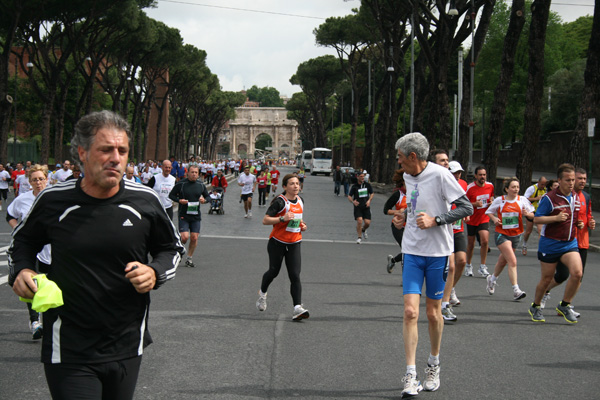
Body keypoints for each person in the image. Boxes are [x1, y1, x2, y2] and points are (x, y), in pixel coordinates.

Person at [8, 110, 184, 399]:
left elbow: (171, 248)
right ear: (83, 153)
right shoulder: (54, 200)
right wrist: (23, 270)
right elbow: (21, 243)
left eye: (122, 150)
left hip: (127, 342)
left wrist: (154, 272)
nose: (115, 157)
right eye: (105, 149)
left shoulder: (145, 201)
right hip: (69, 345)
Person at [394, 133, 473, 397]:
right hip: (412, 251)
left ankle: (433, 364)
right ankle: (410, 373)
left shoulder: (441, 175)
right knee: (409, 313)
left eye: (400, 157)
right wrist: (403, 216)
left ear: (413, 157)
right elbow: (416, 204)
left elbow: (466, 207)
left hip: (438, 253)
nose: (398, 162)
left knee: (432, 314)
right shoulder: (407, 176)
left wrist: (436, 220)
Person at [529, 163, 583, 324]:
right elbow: (536, 218)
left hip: (569, 243)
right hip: (550, 243)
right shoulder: (549, 198)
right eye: (568, 180)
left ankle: (565, 305)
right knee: (546, 279)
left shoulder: (576, 196)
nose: (571, 183)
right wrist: (555, 218)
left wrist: (579, 223)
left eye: (573, 180)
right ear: (559, 180)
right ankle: (536, 306)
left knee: (577, 273)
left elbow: (575, 216)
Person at [540, 167, 595, 317]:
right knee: (562, 275)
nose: (581, 181)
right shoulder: (559, 197)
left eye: (584, 179)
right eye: (578, 178)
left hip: (581, 242)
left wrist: (589, 222)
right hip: (564, 242)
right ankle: (545, 293)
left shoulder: (586, 197)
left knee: (578, 275)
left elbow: (587, 215)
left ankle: (566, 304)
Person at [6, 164, 52, 340]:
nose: (38, 182)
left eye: (41, 179)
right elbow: (9, 216)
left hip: (51, 251)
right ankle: (35, 322)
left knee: (51, 286)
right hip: (32, 251)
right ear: (29, 182)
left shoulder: (54, 198)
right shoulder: (22, 199)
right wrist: (18, 230)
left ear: (46, 179)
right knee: (31, 285)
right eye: (34, 180)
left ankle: (50, 321)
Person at [256, 173, 309, 321]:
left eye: (297, 183)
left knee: (295, 275)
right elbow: (265, 220)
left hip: (294, 242)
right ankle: (262, 294)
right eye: (292, 184)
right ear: (285, 187)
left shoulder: (300, 200)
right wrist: (282, 218)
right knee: (273, 271)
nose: (296, 186)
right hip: (277, 242)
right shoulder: (280, 202)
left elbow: (298, 219)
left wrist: (302, 225)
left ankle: (297, 308)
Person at [484, 178, 534, 300]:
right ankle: (516, 290)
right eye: (513, 187)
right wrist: (494, 219)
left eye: (517, 187)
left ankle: (492, 279)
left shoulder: (522, 200)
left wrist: (527, 214)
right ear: (507, 189)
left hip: (516, 235)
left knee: (503, 261)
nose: (516, 189)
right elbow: (488, 212)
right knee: (512, 261)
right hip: (502, 234)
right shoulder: (499, 200)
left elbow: (533, 215)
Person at [431, 149, 459, 322]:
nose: (446, 163)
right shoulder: (428, 181)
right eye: (442, 160)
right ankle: (432, 304)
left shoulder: (450, 181)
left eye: (447, 160)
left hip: (445, 231)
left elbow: (463, 204)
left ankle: (444, 305)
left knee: (452, 266)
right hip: (428, 233)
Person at [169, 165, 209, 268]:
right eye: (192, 172)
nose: (194, 174)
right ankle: (177, 250)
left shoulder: (200, 184)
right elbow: (171, 195)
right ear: (188, 173)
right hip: (184, 214)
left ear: (198, 173)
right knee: (184, 237)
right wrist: (179, 201)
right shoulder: (181, 184)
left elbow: (208, 196)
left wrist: (204, 200)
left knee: (194, 238)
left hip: (195, 215)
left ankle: (189, 258)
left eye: (196, 172)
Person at [465, 166, 494, 277]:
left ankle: (482, 266)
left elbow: (491, 197)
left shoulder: (490, 186)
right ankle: (468, 265)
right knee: (471, 244)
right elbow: (464, 203)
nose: (483, 177)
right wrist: (474, 204)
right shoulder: (470, 188)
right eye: (480, 175)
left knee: (485, 241)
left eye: (484, 175)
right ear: (476, 176)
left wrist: (491, 202)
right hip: (472, 219)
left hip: (484, 217)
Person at [447, 161, 469, 308]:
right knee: (450, 265)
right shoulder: (441, 184)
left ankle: (451, 289)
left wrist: (465, 213)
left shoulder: (464, 184)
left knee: (461, 261)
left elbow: (465, 203)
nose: (457, 175)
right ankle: (445, 293)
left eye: (459, 172)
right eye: (455, 172)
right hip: (444, 230)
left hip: (458, 228)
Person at [383, 169, 406, 273]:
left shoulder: (416, 193)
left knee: (411, 251)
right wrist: (397, 212)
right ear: (403, 181)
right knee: (406, 250)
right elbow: (385, 210)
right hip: (398, 226)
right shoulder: (398, 194)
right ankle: (406, 278)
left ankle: (393, 260)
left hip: (412, 227)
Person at [522, 176, 548, 255]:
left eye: (544, 185)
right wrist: (535, 198)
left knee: (541, 231)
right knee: (528, 231)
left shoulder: (545, 190)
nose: (543, 186)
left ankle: (541, 249)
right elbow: (524, 199)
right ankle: (524, 245)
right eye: (542, 184)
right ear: (538, 182)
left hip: (539, 213)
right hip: (531, 212)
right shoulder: (531, 189)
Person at [348, 171, 374, 244]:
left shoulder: (367, 185)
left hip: (366, 206)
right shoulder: (355, 186)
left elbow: (372, 193)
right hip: (358, 206)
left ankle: (363, 229)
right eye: (361, 176)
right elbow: (349, 196)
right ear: (358, 177)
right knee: (359, 221)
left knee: (367, 223)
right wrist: (353, 202)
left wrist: (369, 200)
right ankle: (359, 237)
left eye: (363, 176)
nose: (363, 178)